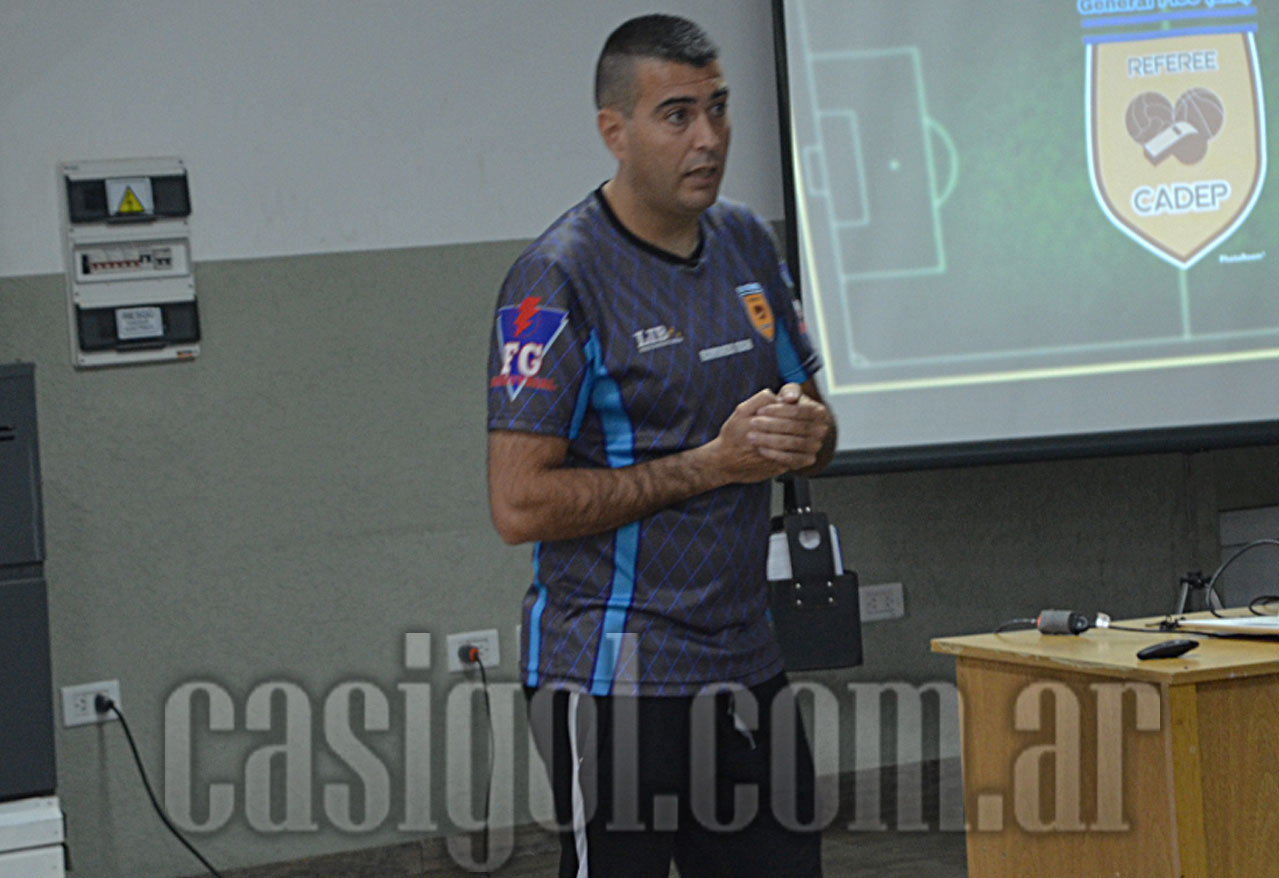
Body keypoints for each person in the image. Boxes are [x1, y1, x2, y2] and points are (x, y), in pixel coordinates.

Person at [486, 13, 835, 877]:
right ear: (615, 131)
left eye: (718, 108)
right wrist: (710, 465)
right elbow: (519, 504)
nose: (707, 137)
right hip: (610, 672)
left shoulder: (747, 241)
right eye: (677, 115)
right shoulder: (555, 277)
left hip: (744, 660)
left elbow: (813, 427)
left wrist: (809, 434)